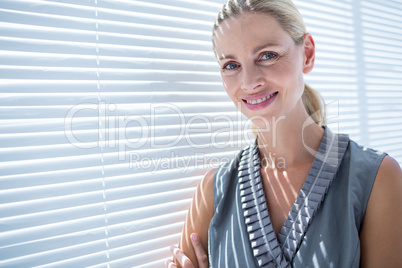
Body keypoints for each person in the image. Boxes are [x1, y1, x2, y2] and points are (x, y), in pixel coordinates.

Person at [166, 0, 402, 267]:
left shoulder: (378, 178)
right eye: (231, 65)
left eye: (267, 55)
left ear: (308, 54)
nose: (249, 82)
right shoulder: (212, 191)